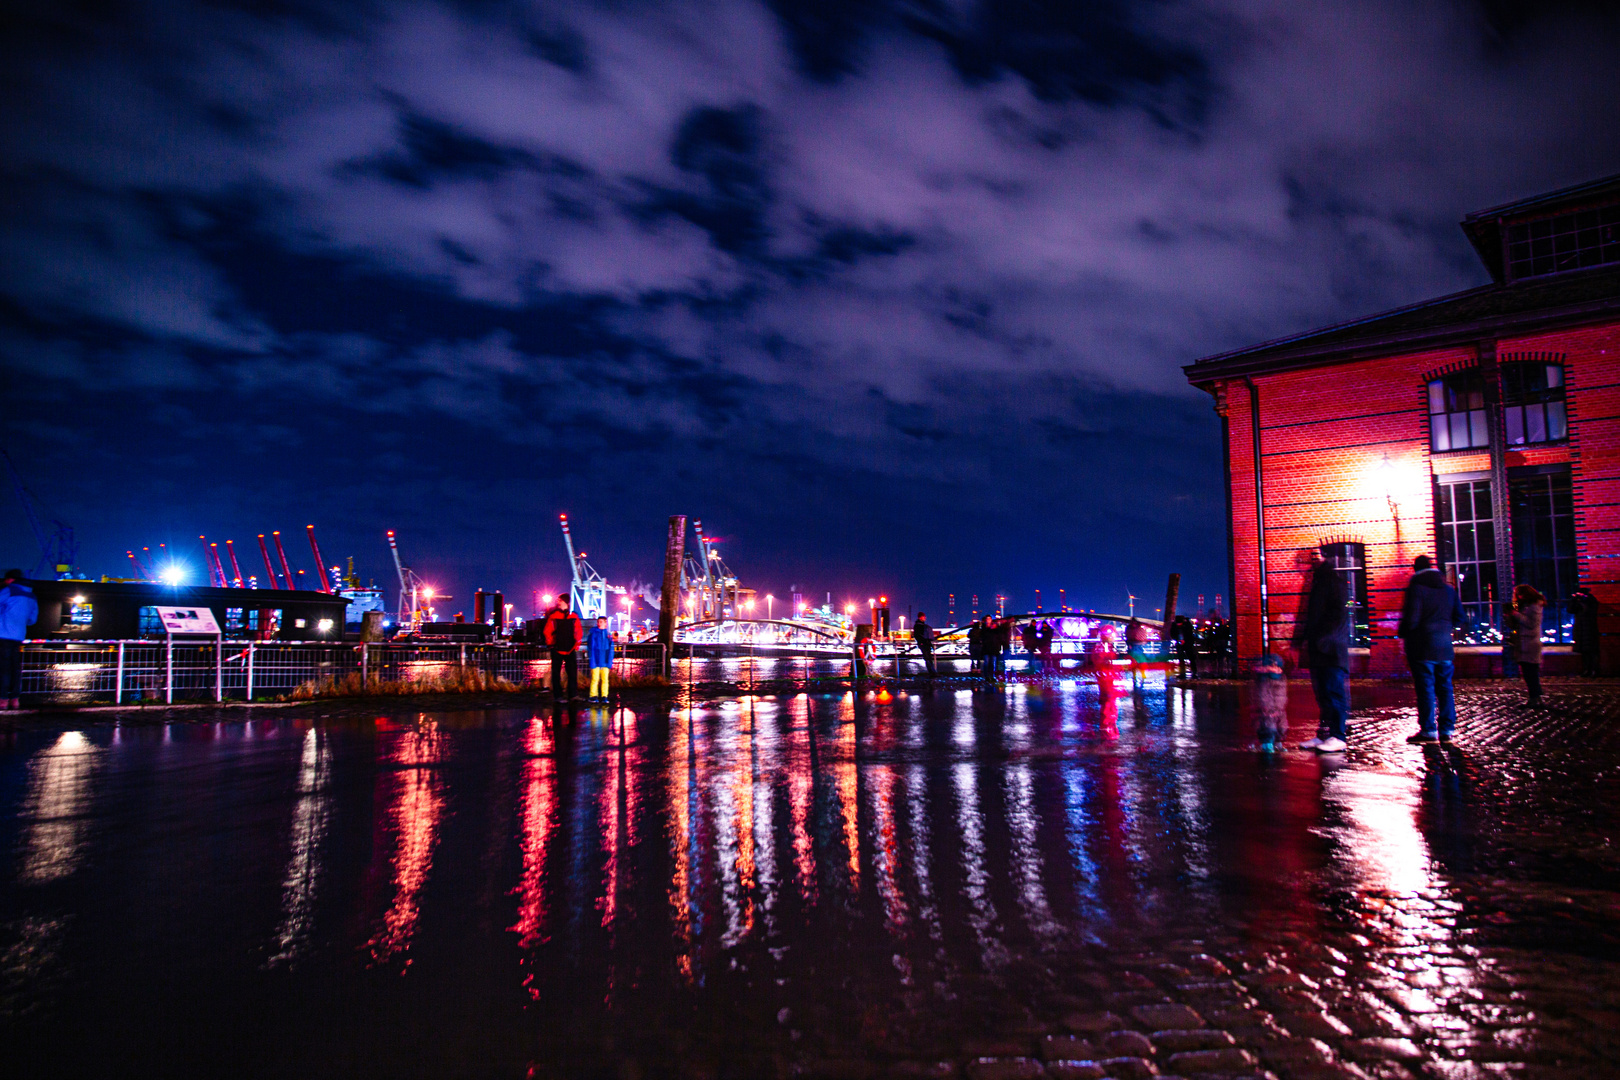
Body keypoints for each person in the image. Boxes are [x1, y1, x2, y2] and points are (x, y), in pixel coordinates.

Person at [1398, 555, 1467, 744]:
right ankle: (1447, 729)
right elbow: (1460, 617)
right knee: (1445, 688)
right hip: (1444, 647)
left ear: (1415, 569)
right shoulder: (1449, 590)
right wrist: (1444, 628)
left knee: (1426, 688)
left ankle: (1429, 730)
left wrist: (1402, 633)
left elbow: (1411, 619)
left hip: (1422, 647)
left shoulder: (1416, 588)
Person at [1292, 553, 1352, 753]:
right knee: (1324, 693)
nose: (1297, 569)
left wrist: (1319, 639)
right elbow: (1310, 615)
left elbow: (1321, 616)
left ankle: (1338, 736)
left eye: (1298, 564)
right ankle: (1325, 734)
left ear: (1309, 563)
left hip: (1329, 647)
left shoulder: (1328, 581)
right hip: (1323, 646)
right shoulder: (1321, 580)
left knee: (1333, 692)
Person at [0, 569, 37, 710]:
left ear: (10, 579)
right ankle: (15, 699)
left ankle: (2, 700)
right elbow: (32, 620)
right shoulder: (32, 595)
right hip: (19, 636)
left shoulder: (8, 590)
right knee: (15, 668)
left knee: (3, 668)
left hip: (3, 634)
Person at [1506, 584, 1546, 707]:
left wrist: (1516, 615)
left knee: (1531, 673)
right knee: (1529, 673)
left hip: (1529, 644)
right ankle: (1535, 697)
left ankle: (1536, 698)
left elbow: (1531, 624)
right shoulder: (1528, 606)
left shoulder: (1534, 607)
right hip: (1525, 643)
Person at [542, 596, 584, 702]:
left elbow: (578, 631)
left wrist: (576, 644)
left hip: (569, 648)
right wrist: (551, 644)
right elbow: (547, 631)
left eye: (560, 600)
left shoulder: (572, 616)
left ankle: (572, 695)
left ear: (566, 602)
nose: (558, 602)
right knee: (556, 674)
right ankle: (559, 696)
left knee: (572, 673)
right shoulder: (555, 616)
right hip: (558, 648)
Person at [1253, 650, 1288, 752]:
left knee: (1282, 726)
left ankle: (1277, 742)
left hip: (1278, 709)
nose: (1275, 670)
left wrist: (1279, 708)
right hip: (1267, 709)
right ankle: (1267, 743)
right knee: (1268, 726)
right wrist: (1266, 708)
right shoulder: (1264, 680)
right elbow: (1263, 695)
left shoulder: (1280, 679)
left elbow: (1282, 695)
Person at [1570, 585, 1600, 677]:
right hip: (1581, 630)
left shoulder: (1590, 601)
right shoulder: (1579, 602)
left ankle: (1594, 670)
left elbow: (1591, 609)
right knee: (1584, 652)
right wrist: (1574, 600)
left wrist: (1584, 599)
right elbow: (1570, 609)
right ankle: (1586, 669)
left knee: (1591, 651)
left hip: (1589, 629)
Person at [586, 616, 614, 703]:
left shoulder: (608, 635)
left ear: (605, 623)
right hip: (597, 660)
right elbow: (591, 648)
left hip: (604, 661)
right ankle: (593, 696)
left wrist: (609, 661)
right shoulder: (595, 634)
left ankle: (604, 696)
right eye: (599, 622)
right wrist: (592, 660)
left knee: (604, 679)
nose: (599, 623)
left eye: (602, 622)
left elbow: (611, 649)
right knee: (595, 679)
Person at [912, 612, 936, 677]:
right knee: (928, 658)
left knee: (928, 658)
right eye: (924, 617)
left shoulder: (918, 625)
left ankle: (932, 672)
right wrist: (923, 641)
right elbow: (917, 635)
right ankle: (932, 672)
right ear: (920, 617)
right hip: (925, 644)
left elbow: (916, 635)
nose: (925, 618)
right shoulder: (920, 626)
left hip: (924, 643)